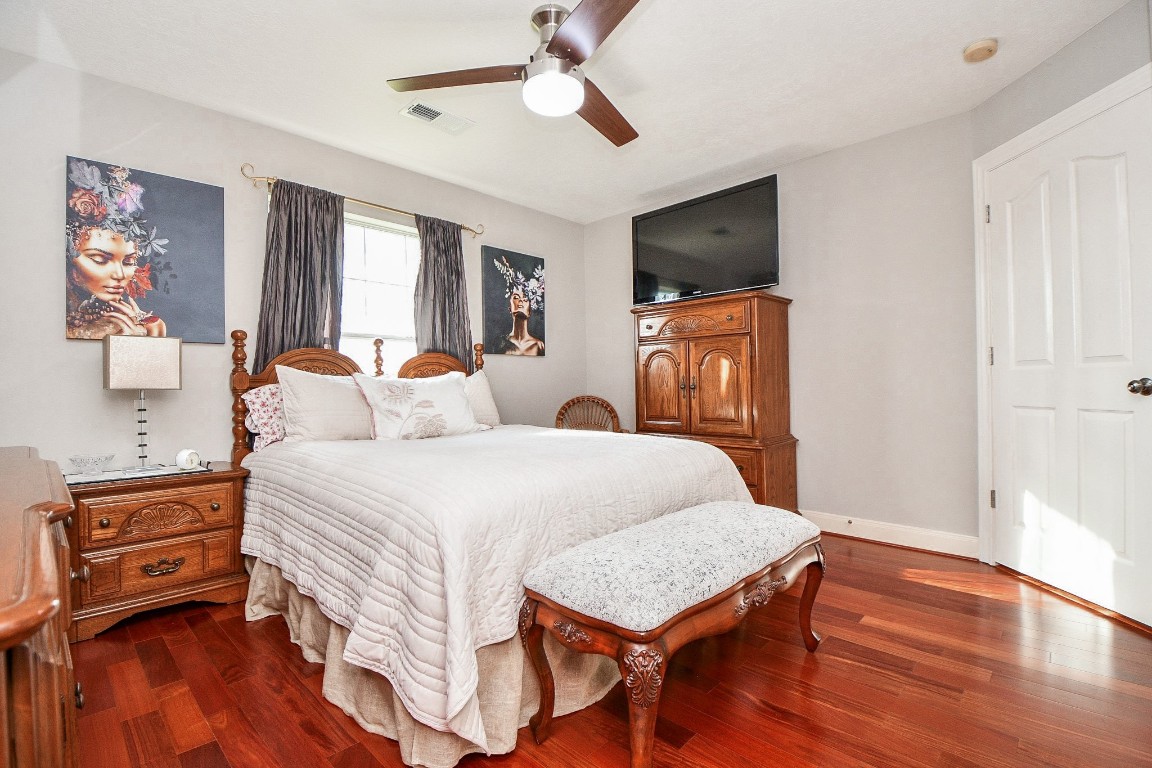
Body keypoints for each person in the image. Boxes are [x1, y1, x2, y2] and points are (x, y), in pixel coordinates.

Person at [65, 159, 168, 339]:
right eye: (99, 259)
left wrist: (145, 339)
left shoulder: (150, 327)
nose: (120, 275)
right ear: (69, 257)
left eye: (129, 261)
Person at [493, 255, 544, 356]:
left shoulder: (539, 345)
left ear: (530, 310)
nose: (520, 301)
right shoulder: (500, 344)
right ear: (509, 308)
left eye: (525, 299)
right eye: (516, 297)